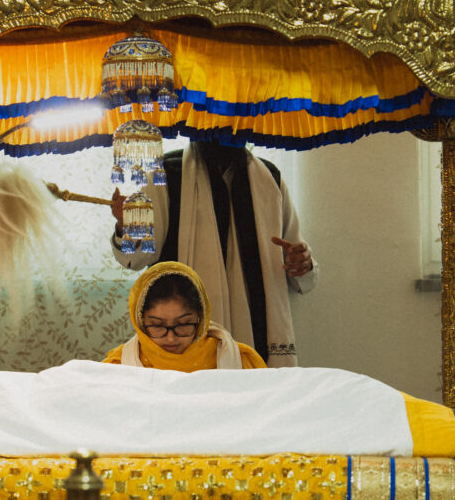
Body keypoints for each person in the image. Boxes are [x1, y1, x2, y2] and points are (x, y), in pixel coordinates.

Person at [110, 140, 317, 367]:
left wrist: (302, 263)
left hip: (258, 328)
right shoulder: (167, 173)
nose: (224, 129)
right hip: (185, 328)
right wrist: (126, 226)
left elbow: (297, 259)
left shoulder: (270, 178)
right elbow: (137, 258)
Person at [103, 261, 266, 371]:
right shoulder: (118, 365)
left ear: (200, 319)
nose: (171, 338)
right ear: (140, 321)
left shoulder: (238, 360)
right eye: (158, 326)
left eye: (183, 324)